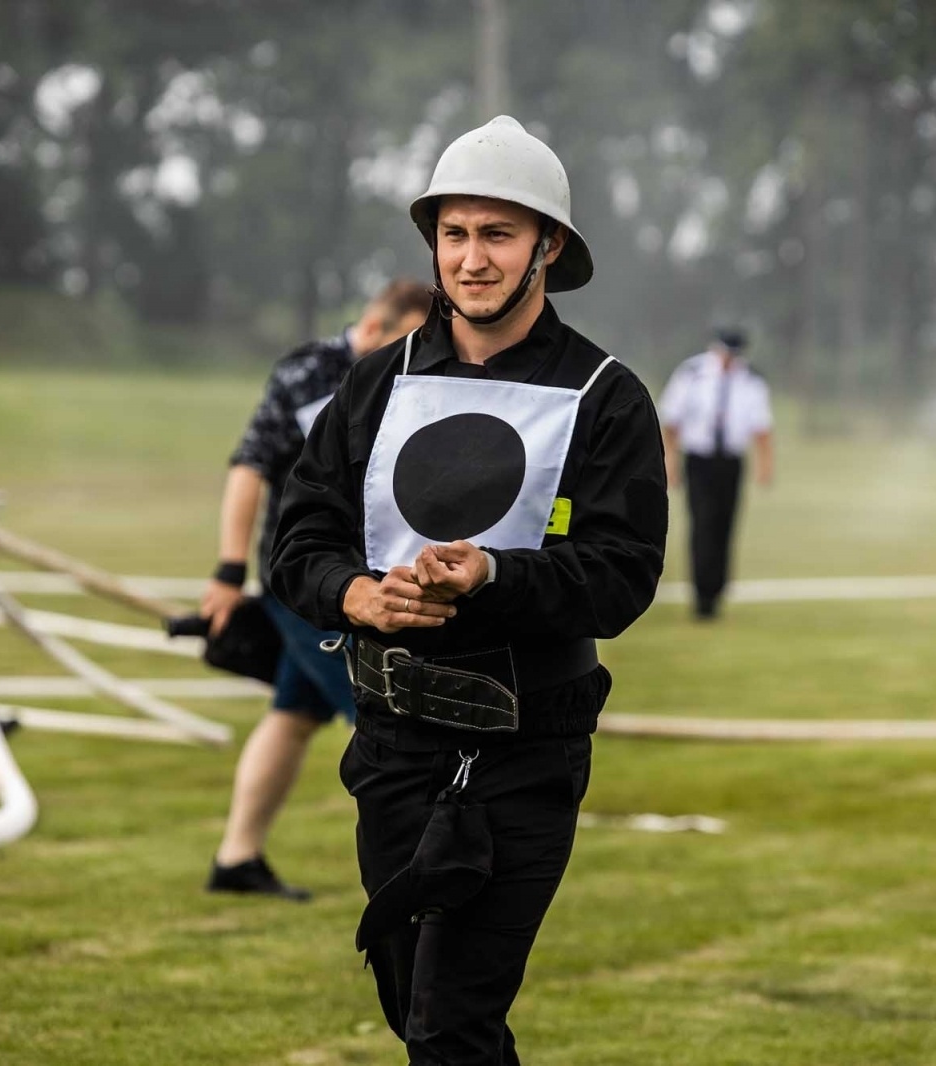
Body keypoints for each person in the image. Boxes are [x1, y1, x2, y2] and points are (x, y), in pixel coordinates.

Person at [268, 116, 667, 1064]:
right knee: (417, 1012)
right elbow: (299, 538)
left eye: (497, 234)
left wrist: (492, 573)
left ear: (548, 247)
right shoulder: (375, 384)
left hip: (526, 749)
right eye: (454, 234)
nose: (472, 259)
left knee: (453, 1023)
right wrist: (353, 597)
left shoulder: (607, 397)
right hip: (393, 742)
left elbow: (621, 576)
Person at [199, 279, 433, 900]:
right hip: (310, 581)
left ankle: (236, 859)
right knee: (387, 719)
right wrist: (228, 573)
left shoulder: (417, 376)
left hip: (379, 579)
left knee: (293, 715)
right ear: (377, 330)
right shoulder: (306, 375)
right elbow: (250, 467)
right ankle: (419, 877)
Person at [658, 327, 774, 619]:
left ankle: (718, 588)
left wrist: (765, 465)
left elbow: (761, 428)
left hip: (731, 462)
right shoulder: (692, 373)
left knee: (725, 525)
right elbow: (671, 423)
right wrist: (670, 462)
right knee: (702, 523)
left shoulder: (751, 380)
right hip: (699, 460)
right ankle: (702, 596)